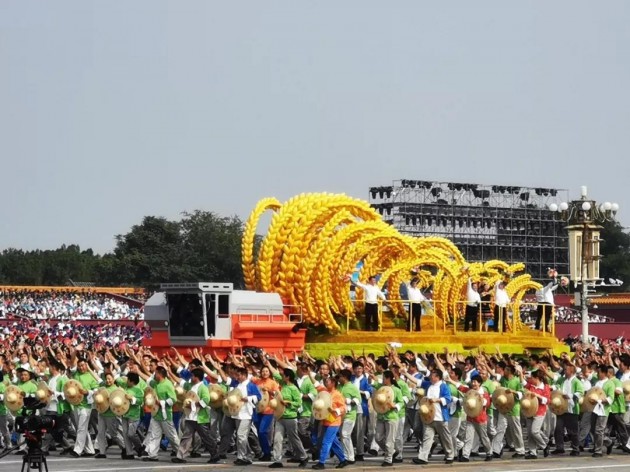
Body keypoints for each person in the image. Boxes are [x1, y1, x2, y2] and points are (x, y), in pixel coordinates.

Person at [413, 369, 454, 465]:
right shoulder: (428, 384)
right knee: (427, 437)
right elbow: (417, 381)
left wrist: (437, 400)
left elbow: (448, 398)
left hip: (440, 417)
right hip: (428, 416)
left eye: (434, 375)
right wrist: (405, 373)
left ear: (438, 377)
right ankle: (423, 457)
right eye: (431, 375)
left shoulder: (443, 386)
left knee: (445, 437)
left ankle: (450, 455)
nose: (431, 377)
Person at [269, 368, 309, 468]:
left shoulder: (294, 389)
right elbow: (276, 375)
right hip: (280, 416)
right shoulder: (283, 385)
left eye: (284, 375)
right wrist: (268, 363)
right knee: (277, 438)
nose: (282, 377)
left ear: (288, 377)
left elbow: (299, 403)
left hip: (291, 417)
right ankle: (277, 460)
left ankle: (303, 456)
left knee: (294, 438)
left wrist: (289, 403)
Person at [312, 376, 347, 470]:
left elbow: (344, 408)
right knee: (334, 443)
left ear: (333, 383)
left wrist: (335, 410)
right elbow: (317, 385)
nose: (326, 383)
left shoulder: (337, 394)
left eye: (327, 381)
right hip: (326, 421)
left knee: (326, 442)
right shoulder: (325, 391)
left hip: (334, 421)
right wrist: (310, 375)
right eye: (326, 381)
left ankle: (321, 462)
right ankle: (343, 460)